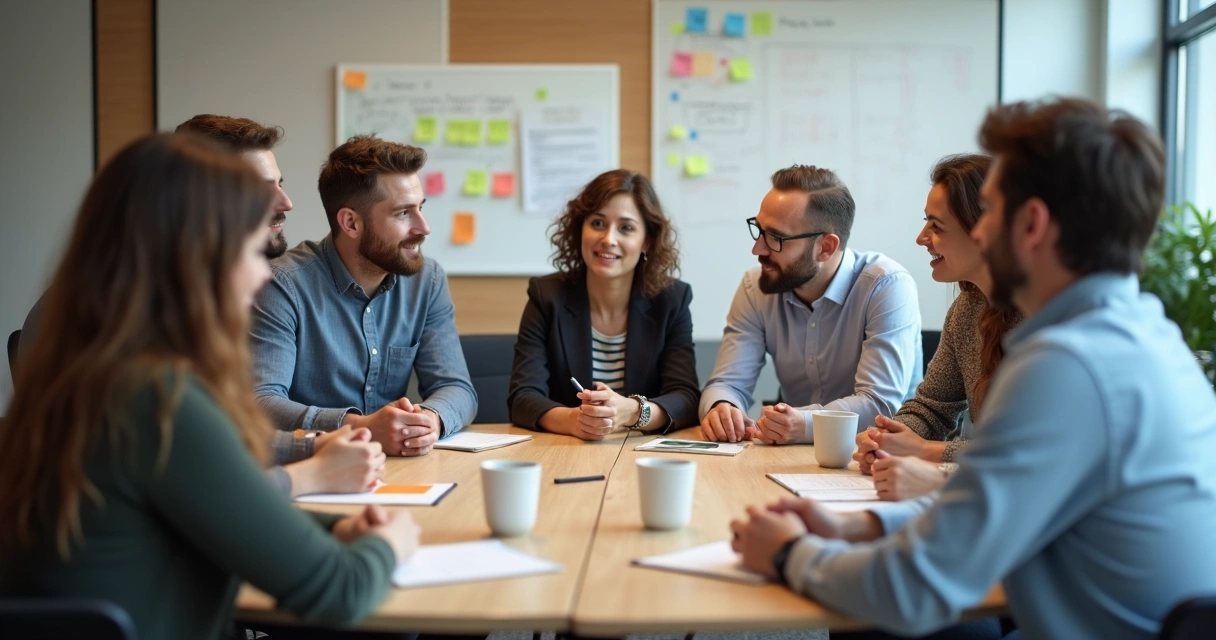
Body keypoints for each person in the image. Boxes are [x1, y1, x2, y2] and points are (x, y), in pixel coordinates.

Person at [729, 98, 1216, 639]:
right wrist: (856, 524)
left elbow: (914, 588)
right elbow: (979, 508)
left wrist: (788, 554)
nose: (979, 233)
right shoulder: (1139, 335)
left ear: (1030, 224)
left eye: (991, 210)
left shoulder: (1067, 366)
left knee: (873, 619)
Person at [0, 133, 419, 640]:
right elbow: (339, 592)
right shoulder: (159, 398)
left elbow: (212, 511)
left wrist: (337, 528)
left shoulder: (88, 377)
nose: (262, 278)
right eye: (249, 251)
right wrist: (393, 539)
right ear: (194, 260)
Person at [16, 114, 384, 498]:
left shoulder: (185, 304)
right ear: (201, 199)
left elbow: (207, 438)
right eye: (259, 190)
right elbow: (191, 477)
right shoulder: (114, 325)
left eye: (280, 184)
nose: (285, 203)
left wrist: (308, 446)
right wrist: (315, 473)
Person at [251, 135, 477, 457]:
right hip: (315, 470)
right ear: (351, 223)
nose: (424, 227)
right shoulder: (282, 285)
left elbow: (457, 388)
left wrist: (430, 420)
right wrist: (361, 427)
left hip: (400, 470)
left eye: (421, 208)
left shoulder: (427, 280)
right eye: (403, 214)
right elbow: (262, 403)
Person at [699, 165, 922, 445]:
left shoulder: (887, 285)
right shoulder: (754, 287)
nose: (757, 250)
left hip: (879, 457)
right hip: (791, 457)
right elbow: (727, 383)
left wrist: (802, 424)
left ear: (826, 248)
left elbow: (879, 405)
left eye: (776, 238)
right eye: (759, 230)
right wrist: (722, 407)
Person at [853, 155, 1022, 501]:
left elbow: (1021, 454)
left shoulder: (1042, 319)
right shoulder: (967, 310)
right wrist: (888, 440)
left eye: (936, 226)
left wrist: (924, 452)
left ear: (982, 232)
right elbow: (931, 407)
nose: (921, 238)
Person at [508, 169, 699, 438]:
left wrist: (632, 411)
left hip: (639, 454)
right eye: (597, 223)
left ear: (647, 241)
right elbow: (522, 397)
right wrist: (575, 420)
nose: (608, 238)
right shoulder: (546, 296)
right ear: (580, 229)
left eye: (626, 228)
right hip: (566, 452)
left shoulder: (672, 300)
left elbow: (686, 398)